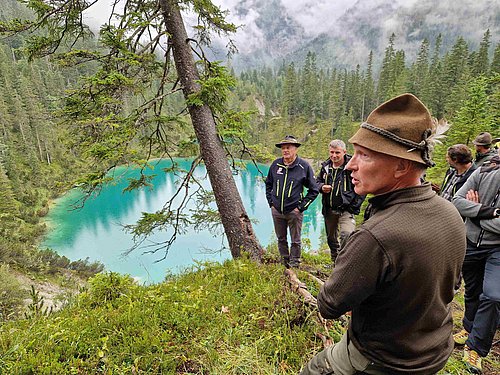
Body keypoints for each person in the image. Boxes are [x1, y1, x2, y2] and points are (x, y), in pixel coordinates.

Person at [300, 93, 466, 375]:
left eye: (364, 155)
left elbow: (329, 305)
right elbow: (452, 285)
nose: (352, 165)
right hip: (433, 353)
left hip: (384, 360)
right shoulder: (449, 213)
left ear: (401, 166)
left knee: (314, 369)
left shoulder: (375, 236)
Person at [452, 154, 500, 373]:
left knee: (493, 295)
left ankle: (476, 348)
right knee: (472, 291)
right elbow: (458, 201)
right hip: (471, 243)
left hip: (497, 249)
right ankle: (469, 329)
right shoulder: (484, 170)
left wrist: (475, 215)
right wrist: (488, 212)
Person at [265, 135, 319, 268]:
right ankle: (284, 263)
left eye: (288, 147)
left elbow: (314, 190)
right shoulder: (275, 164)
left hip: (294, 211)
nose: (285, 150)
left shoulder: (303, 166)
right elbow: (268, 184)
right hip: (277, 211)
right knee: (281, 239)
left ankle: (295, 265)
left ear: (296, 149)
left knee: (295, 240)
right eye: (283, 148)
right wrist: (271, 204)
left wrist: (300, 207)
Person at [316, 140, 365, 262]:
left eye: (337, 152)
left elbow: (362, 188)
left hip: (346, 210)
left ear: (344, 152)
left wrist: (353, 207)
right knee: (331, 239)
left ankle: (345, 261)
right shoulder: (326, 167)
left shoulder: (352, 167)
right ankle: (335, 261)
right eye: (331, 152)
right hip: (329, 209)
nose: (334, 155)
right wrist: (321, 187)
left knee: (347, 235)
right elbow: (316, 182)